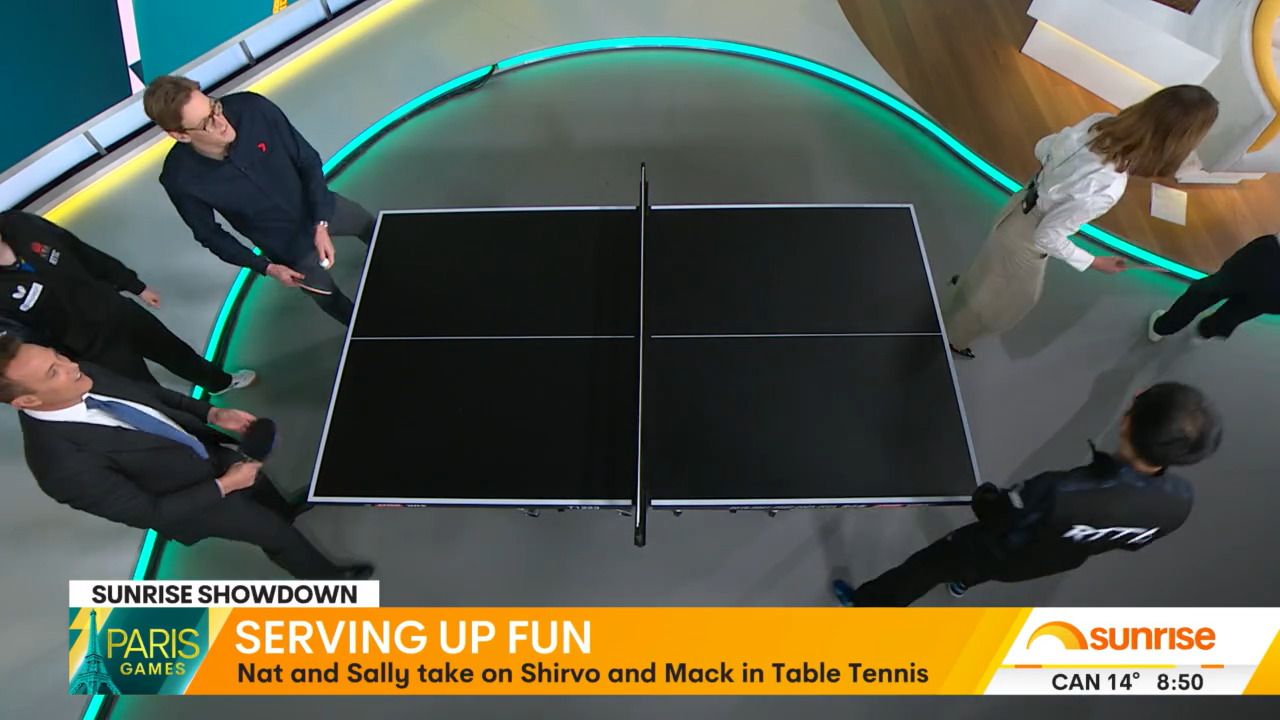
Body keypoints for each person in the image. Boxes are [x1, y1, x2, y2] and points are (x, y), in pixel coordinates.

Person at [1, 336, 372, 580]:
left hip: (205, 451)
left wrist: (211, 413)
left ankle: (286, 511)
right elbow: (151, 513)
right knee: (277, 535)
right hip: (197, 503)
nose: (72, 366)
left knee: (263, 488)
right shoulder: (59, 467)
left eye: (58, 355)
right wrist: (225, 485)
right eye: (54, 371)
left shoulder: (80, 374)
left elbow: (153, 397)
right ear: (27, 400)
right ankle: (330, 583)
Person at [831, 382, 1221, 606]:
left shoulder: (1059, 490)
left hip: (995, 545)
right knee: (989, 570)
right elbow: (1131, 541)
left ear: (1126, 423)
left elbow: (996, 512)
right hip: (1050, 560)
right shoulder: (1180, 503)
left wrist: (985, 496)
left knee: (927, 566)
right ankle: (964, 583)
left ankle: (868, 604)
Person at [944, 86, 1219, 358]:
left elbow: (1043, 147)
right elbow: (1046, 236)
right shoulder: (1108, 186)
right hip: (1026, 240)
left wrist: (1056, 180)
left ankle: (961, 298)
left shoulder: (1099, 123)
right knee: (1003, 302)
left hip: (1018, 205)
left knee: (987, 272)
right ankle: (955, 337)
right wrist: (1094, 261)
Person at [143, 75, 375, 324]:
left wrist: (321, 222)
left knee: (373, 230)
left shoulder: (254, 109)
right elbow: (209, 234)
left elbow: (306, 159)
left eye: (214, 107)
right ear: (180, 136)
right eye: (206, 123)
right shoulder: (180, 179)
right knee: (329, 299)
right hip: (285, 246)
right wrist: (267, 268)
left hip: (321, 205)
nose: (221, 122)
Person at [0, 210, 254, 394]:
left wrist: (134, 285)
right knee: (144, 391)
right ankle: (188, 431)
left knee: (174, 350)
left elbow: (82, 252)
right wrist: (66, 360)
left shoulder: (22, 224)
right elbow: (24, 339)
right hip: (89, 347)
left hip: (116, 309)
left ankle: (219, 382)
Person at [1148, 234, 1280, 343]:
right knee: (1244, 310)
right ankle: (1206, 331)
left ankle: (1164, 326)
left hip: (1268, 257)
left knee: (1212, 290)